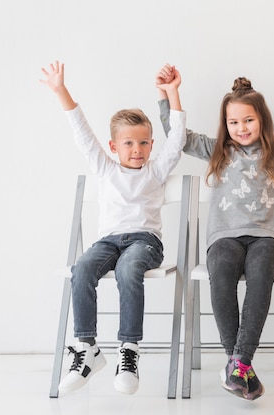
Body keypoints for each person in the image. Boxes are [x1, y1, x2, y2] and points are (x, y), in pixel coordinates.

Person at [156, 62, 274, 401]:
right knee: (220, 274)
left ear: (261, 118)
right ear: (225, 124)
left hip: (269, 237)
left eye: (248, 120)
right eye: (233, 122)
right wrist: (170, 94)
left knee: (262, 273)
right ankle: (239, 367)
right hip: (224, 237)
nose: (241, 127)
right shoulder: (217, 150)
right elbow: (177, 137)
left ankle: (240, 361)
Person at [40, 61, 186, 395]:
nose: (138, 150)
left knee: (128, 270)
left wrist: (173, 93)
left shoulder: (156, 170)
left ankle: (129, 349)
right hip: (107, 242)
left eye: (145, 143)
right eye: (129, 144)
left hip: (144, 242)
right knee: (82, 269)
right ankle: (87, 348)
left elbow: (177, 140)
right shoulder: (104, 168)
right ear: (113, 146)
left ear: (151, 144)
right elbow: (81, 131)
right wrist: (61, 90)